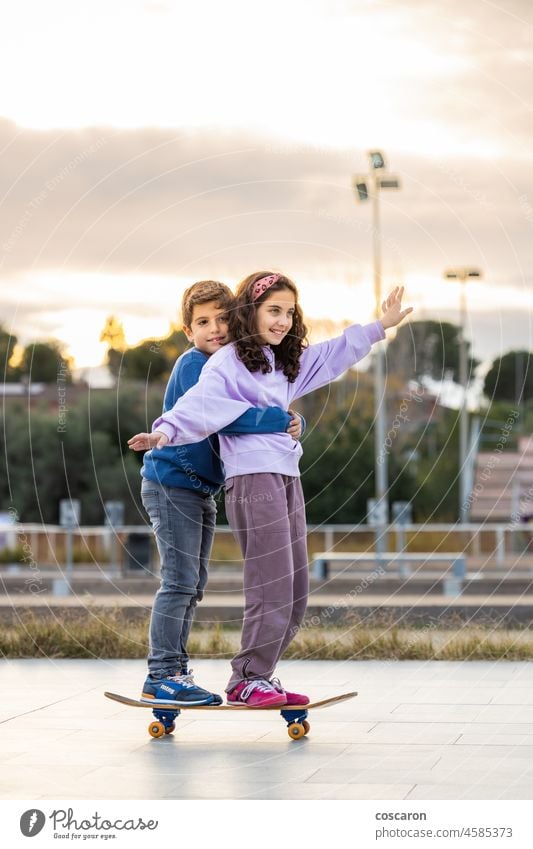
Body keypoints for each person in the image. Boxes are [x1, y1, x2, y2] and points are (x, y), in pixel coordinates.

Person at [129, 272, 413, 707]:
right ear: (252, 313)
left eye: (288, 312)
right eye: (272, 310)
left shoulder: (280, 362)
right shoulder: (214, 363)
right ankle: (214, 674)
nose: (282, 320)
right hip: (207, 479)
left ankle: (258, 674)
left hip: (262, 478)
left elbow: (330, 355)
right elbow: (202, 409)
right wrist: (163, 432)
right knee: (210, 582)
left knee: (295, 587)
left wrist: (379, 327)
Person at [139, 279, 305, 706]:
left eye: (223, 319)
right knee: (179, 582)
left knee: (193, 584)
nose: (215, 329)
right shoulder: (197, 364)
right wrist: (279, 418)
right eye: (203, 322)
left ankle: (176, 670)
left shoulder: (234, 365)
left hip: (199, 491)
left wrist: (291, 419)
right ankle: (163, 674)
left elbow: (259, 401)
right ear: (187, 331)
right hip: (170, 484)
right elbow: (229, 418)